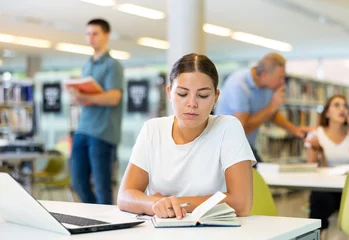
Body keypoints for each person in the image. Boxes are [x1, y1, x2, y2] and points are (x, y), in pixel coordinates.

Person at [117, 53, 256, 219]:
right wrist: (154, 204)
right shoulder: (152, 129)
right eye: (182, 94)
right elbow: (125, 196)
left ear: (216, 97)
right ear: (169, 93)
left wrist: (172, 203)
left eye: (203, 95)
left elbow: (241, 203)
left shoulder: (228, 128)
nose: (192, 104)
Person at [67, 19, 124, 205]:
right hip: (83, 129)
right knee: (78, 183)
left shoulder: (113, 65)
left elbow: (114, 97)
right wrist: (77, 97)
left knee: (102, 186)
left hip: (103, 133)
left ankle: (107, 225)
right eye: (88, 34)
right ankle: (96, 217)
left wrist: (86, 98)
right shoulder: (88, 65)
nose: (90, 38)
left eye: (95, 33)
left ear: (106, 35)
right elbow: (86, 97)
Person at [215, 53, 309, 163]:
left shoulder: (267, 86)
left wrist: (296, 131)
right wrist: (272, 106)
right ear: (264, 75)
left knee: (261, 175)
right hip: (227, 149)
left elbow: (272, 115)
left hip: (246, 146)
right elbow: (241, 129)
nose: (282, 82)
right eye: (280, 78)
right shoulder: (239, 85)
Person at [305, 95, 349, 231]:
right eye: (337, 105)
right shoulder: (315, 134)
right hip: (326, 188)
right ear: (327, 113)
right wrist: (314, 148)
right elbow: (310, 167)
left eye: (345, 106)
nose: (342, 109)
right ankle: (316, 233)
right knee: (319, 199)